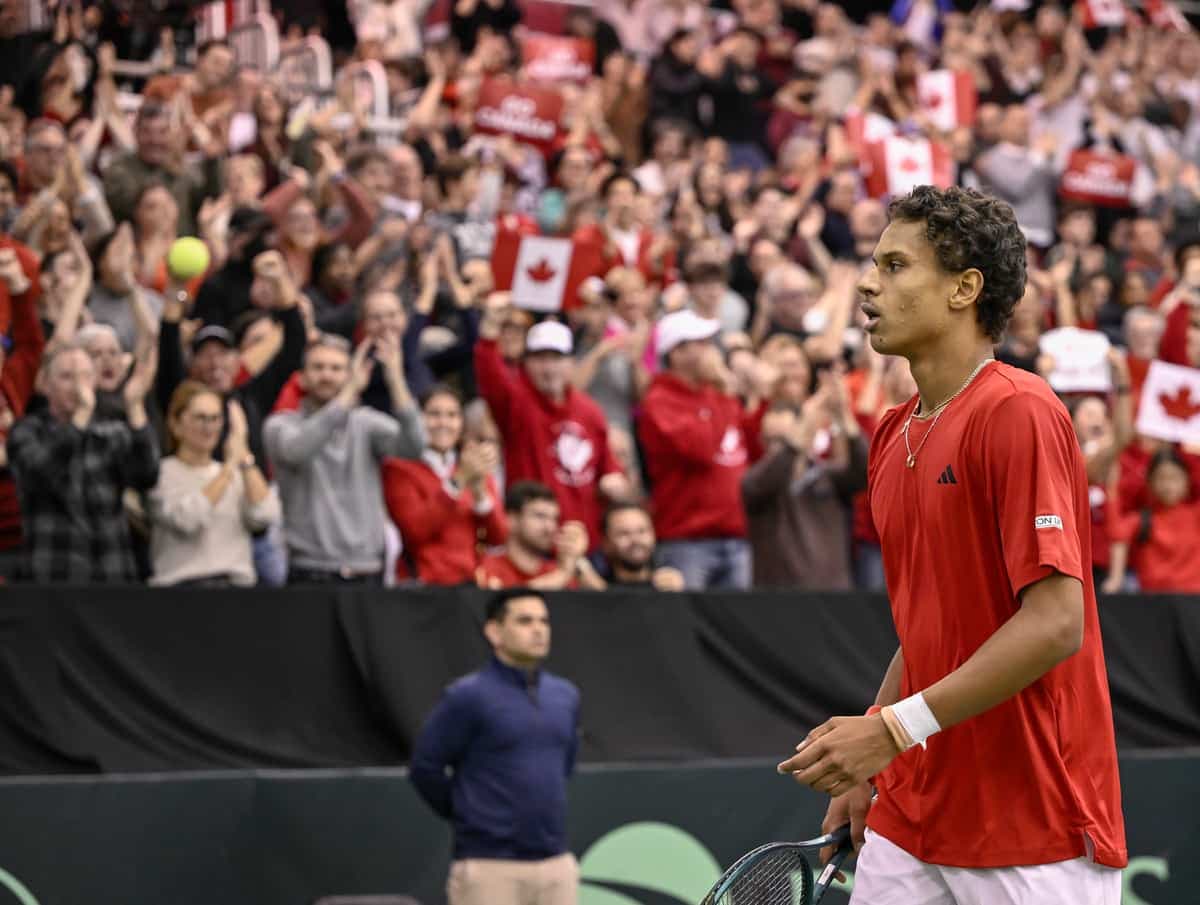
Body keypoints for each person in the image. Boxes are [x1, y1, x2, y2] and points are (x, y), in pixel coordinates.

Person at [777, 186, 1125, 904]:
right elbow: (934, 625)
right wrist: (877, 753)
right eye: (873, 264)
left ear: (965, 288)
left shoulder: (1020, 411)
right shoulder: (891, 432)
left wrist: (891, 732)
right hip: (916, 811)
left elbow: (1058, 623)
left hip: (1035, 820)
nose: (869, 283)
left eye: (896, 265)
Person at [410, 588, 580, 905]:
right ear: (494, 631)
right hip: (488, 868)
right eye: (525, 621)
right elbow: (425, 768)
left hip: (557, 865)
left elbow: (565, 766)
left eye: (544, 621)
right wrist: (468, 811)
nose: (539, 629)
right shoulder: (467, 696)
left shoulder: (565, 696)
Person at [263, 333, 424, 584]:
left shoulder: (366, 423)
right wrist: (348, 393)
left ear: (349, 374)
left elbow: (415, 447)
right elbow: (298, 450)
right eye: (318, 367)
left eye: (336, 368)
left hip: (367, 569)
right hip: (309, 570)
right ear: (302, 378)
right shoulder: (280, 426)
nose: (327, 375)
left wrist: (396, 380)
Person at [475, 301, 630, 549]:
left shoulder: (589, 410)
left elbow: (608, 468)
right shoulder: (516, 403)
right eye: (539, 358)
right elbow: (490, 375)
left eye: (556, 358)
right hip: (534, 546)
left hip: (585, 543)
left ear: (570, 363)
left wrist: (614, 481)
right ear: (526, 363)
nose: (548, 368)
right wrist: (490, 329)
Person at [6, 341, 158, 582]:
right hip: (52, 576)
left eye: (86, 376)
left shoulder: (111, 431)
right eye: (67, 377)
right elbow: (42, 473)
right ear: (45, 384)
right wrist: (81, 419)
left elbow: (146, 475)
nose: (78, 387)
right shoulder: (27, 431)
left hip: (111, 574)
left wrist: (135, 406)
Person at [637, 309, 759, 590]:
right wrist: (727, 394)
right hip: (687, 540)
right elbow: (701, 450)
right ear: (676, 353)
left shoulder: (715, 394)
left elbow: (748, 448)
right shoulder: (659, 400)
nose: (710, 351)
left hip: (735, 535)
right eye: (700, 343)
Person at [742, 375, 868, 590]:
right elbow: (771, 476)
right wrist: (803, 428)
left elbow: (866, 470)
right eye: (769, 440)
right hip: (779, 602)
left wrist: (842, 414)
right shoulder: (756, 481)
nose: (775, 448)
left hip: (833, 601)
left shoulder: (827, 476)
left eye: (782, 439)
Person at [148, 382, 280, 587]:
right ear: (175, 423)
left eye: (215, 418)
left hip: (234, 588)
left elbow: (264, 515)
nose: (209, 427)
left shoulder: (238, 473)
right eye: (200, 418)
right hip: (180, 590)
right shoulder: (162, 473)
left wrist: (244, 456)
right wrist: (228, 468)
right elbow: (188, 520)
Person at [382, 386, 508, 585]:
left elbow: (498, 538)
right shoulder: (399, 468)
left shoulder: (472, 465)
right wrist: (457, 481)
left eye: (452, 415)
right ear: (418, 420)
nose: (444, 423)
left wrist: (479, 493)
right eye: (434, 414)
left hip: (468, 585)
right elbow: (415, 531)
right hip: (421, 587)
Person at [476, 481, 604, 590]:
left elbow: (608, 604)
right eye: (540, 516)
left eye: (554, 519)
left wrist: (577, 559)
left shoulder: (554, 570)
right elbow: (512, 601)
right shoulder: (487, 567)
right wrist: (563, 573)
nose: (550, 527)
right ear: (511, 520)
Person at [600, 502, 685, 590]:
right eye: (624, 533)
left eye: (642, 531)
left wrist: (677, 596)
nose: (635, 540)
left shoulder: (669, 584)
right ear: (606, 542)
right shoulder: (596, 587)